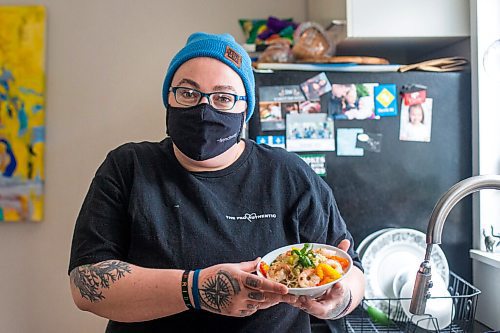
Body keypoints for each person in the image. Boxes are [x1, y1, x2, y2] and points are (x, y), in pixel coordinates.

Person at [68, 32, 365, 333]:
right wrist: (196, 289)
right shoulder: (128, 167)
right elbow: (85, 284)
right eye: (188, 93)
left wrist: (341, 300)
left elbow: (351, 270)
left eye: (223, 98)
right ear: (168, 98)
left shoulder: (288, 174)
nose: (203, 109)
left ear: (244, 110)